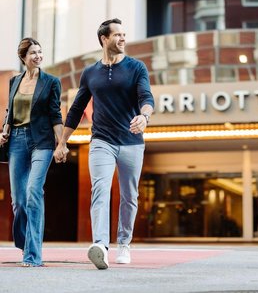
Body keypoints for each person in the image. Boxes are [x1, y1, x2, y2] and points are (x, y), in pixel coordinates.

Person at [54, 17, 154, 270]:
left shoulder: (136, 67)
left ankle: (124, 243)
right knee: (100, 189)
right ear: (104, 39)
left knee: (130, 195)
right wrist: (62, 142)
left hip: (132, 141)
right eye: (117, 35)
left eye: (124, 34)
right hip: (101, 140)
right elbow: (76, 109)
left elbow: (146, 96)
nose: (122, 38)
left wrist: (144, 116)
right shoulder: (90, 73)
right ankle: (100, 244)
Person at [0, 37, 64, 267]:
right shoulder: (14, 81)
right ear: (23, 58)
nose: (38, 56)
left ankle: (33, 255)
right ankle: (26, 241)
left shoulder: (51, 82)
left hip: (42, 142)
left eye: (40, 51)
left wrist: (62, 142)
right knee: (18, 200)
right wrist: (4, 130)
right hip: (16, 141)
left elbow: (55, 114)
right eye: (33, 53)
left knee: (33, 192)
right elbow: (10, 110)